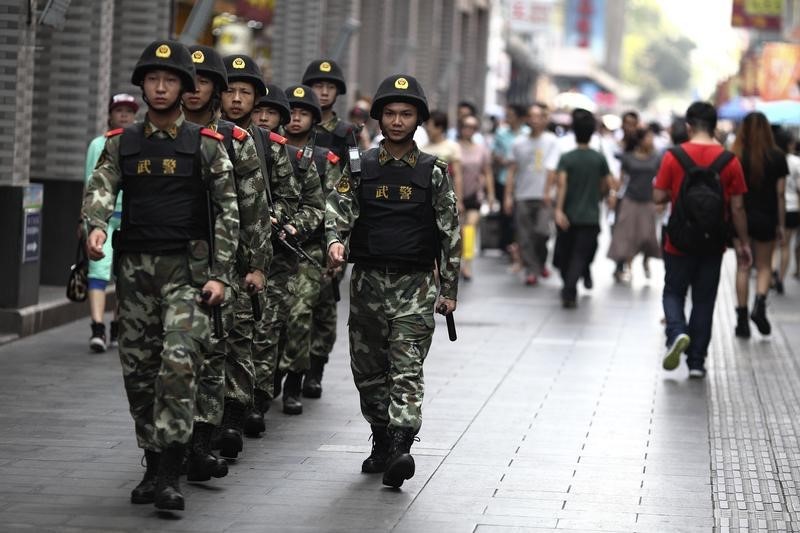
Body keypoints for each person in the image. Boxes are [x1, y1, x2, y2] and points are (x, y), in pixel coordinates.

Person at [82, 40, 239, 511]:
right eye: (153, 79)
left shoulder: (205, 146)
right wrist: (94, 226)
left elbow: (229, 213)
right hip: (134, 275)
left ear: (184, 87)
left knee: (178, 363)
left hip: (187, 276)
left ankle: (171, 472)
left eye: (170, 80)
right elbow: (102, 187)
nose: (161, 87)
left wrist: (221, 275)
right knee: (140, 372)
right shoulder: (121, 143)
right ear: (142, 85)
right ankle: (152, 463)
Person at [326, 74, 460, 488]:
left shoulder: (433, 171)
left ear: (418, 119)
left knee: (405, 367)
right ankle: (381, 438)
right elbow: (339, 209)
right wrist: (334, 241)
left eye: (406, 114)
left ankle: (402, 445)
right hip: (366, 282)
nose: (398, 121)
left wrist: (449, 290)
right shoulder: (360, 166)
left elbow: (450, 232)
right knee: (367, 370)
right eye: (390, 114)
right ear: (379, 119)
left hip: (415, 284)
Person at [182, 44, 270, 480]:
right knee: (174, 359)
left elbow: (254, 210)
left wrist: (256, 266)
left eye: (203, 82)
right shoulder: (160, 135)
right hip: (170, 261)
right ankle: (173, 445)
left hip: (225, 263)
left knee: (222, 349)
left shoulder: (236, 141)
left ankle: (209, 435)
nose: (193, 89)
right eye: (188, 79)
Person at [219, 56, 300, 453]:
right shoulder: (206, 137)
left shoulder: (270, 145)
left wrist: (274, 218)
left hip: (256, 254)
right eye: (230, 90)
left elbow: (288, 196)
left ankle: (239, 412)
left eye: (245, 92)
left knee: (247, 335)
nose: (236, 99)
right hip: (209, 255)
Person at [654, 101, 750, 378]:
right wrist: (743, 243)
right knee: (704, 300)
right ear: (715, 125)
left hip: (678, 240)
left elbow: (658, 197)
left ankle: (676, 332)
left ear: (688, 126)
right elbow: (738, 208)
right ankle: (696, 362)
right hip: (713, 241)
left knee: (673, 291)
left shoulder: (673, 156)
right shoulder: (730, 161)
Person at [278, 84, 339, 409]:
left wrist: (334, 247)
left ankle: (295, 381)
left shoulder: (324, 160)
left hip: (310, 250)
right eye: (292, 112)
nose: (296, 118)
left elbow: (333, 208)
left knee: (302, 316)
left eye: (303, 113)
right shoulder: (269, 150)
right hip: (273, 248)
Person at [83, 93, 138, 352]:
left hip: (131, 217)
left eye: (129, 110)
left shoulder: (139, 143)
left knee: (123, 275)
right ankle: (97, 327)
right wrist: (85, 219)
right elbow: (90, 183)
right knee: (98, 271)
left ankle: (117, 324)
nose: (124, 115)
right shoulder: (98, 144)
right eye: (119, 110)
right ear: (109, 114)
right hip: (102, 220)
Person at [730, 112, 787, 338]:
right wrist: (781, 224)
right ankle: (759, 305)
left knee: (743, 266)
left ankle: (741, 321)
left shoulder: (735, 156)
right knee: (764, 266)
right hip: (767, 218)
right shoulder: (777, 157)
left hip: (740, 218)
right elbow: (780, 194)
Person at [553, 109, 615, 308]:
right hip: (590, 216)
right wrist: (601, 194)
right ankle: (570, 290)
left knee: (566, 253)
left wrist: (559, 210)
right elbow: (608, 184)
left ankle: (568, 287)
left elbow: (561, 184)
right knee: (581, 254)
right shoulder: (598, 158)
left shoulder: (567, 158)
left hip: (568, 215)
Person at [504, 103, 560, 286]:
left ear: (545, 119)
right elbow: (512, 170)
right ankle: (531, 269)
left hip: (544, 196)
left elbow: (553, 169)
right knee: (525, 235)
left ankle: (540, 261)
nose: (534, 120)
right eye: (531, 116)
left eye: (538, 116)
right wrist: (507, 196)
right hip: (523, 194)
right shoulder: (518, 142)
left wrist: (549, 192)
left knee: (543, 232)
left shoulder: (552, 140)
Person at [606, 127, 662, 279]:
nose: (650, 141)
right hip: (630, 199)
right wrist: (612, 194)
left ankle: (646, 259)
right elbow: (621, 179)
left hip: (648, 200)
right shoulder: (628, 157)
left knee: (647, 235)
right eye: (647, 137)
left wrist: (660, 200)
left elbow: (661, 179)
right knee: (627, 235)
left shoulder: (656, 158)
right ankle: (625, 266)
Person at [457, 114, 494, 280]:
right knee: (458, 231)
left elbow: (487, 172)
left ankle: (468, 264)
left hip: (475, 194)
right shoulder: (455, 147)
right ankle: (455, 261)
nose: (468, 130)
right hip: (456, 194)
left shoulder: (482, 149)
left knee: (470, 227)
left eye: (472, 127)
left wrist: (491, 195)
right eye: (466, 126)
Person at [492, 104, 530, 267]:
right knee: (506, 214)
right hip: (503, 178)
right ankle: (507, 245)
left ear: (520, 118)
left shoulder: (527, 134)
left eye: (511, 115)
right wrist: (502, 160)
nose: (508, 118)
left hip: (522, 181)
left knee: (520, 216)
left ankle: (519, 246)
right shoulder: (501, 133)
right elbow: (494, 154)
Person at [302, 59, 356, 165]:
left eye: (331, 87)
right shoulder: (295, 127)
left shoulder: (347, 133)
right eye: (319, 86)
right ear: (309, 88)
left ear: (337, 92)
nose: (325, 93)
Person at [773, 129, 800, 291]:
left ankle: (771, 273)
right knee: (785, 245)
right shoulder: (796, 162)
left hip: (773, 207)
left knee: (773, 246)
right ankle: (780, 278)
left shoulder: (772, 158)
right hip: (792, 208)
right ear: (790, 144)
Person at [423, 110, 463, 212]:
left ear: (440, 128)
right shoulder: (421, 149)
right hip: (426, 199)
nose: (427, 128)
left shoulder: (452, 147)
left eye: (430, 125)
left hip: (446, 198)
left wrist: (459, 201)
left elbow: (457, 175)